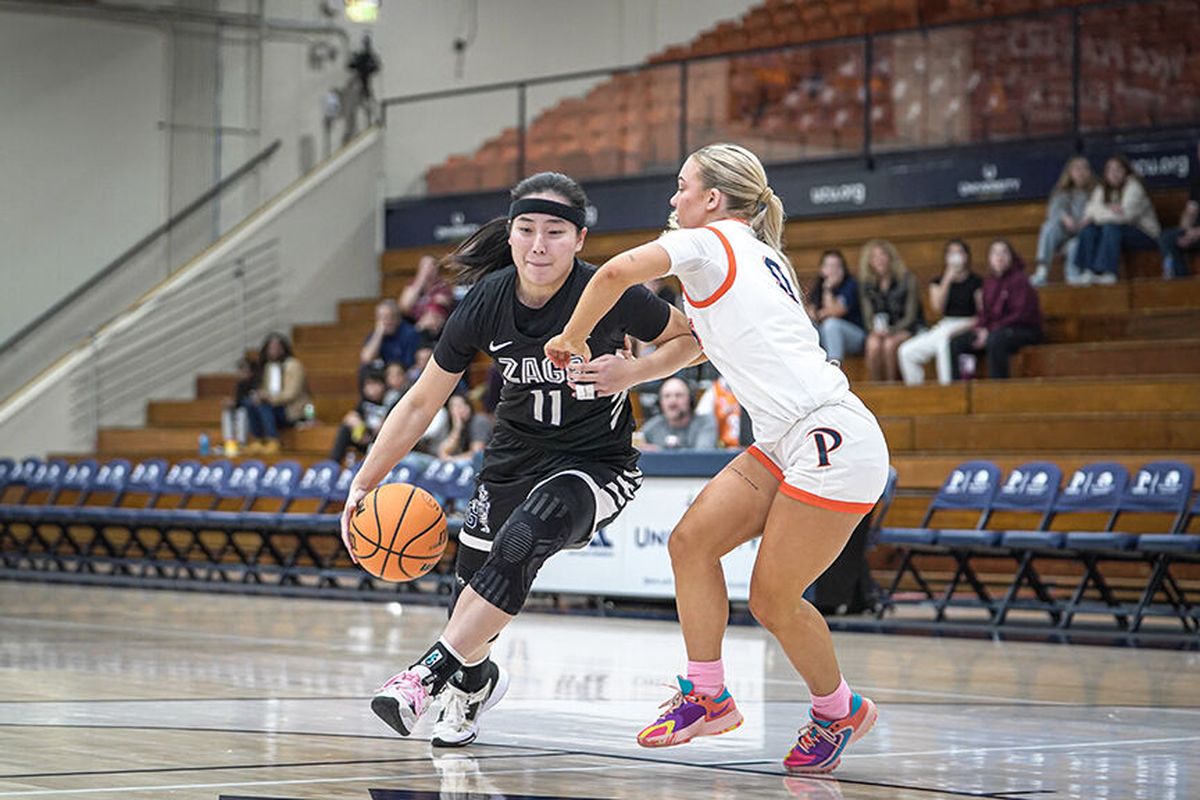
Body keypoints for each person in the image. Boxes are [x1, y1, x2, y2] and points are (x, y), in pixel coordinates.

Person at [546, 143, 889, 775]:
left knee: (771, 599)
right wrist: (635, 374)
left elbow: (617, 271)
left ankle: (839, 709)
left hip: (830, 438)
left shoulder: (709, 242)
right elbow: (700, 347)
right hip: (786, 438)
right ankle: (707, 694)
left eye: (682, 187)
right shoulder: (752, 254)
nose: (673, 199)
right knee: (691, 543)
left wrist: (568, 335)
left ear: (711, 199)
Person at [339, 172, 700, 749]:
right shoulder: (486, 301)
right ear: (510, 235)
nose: (538, 244)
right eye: (526, 230)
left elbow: (690, 340)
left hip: (595, 462)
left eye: (554, 232)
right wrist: (364, 481)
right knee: (473, 595)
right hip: (511, 459)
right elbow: (422, 400)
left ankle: (424, 677)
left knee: (527, 533)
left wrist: (634, 372)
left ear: (579, 239)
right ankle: (472, 682)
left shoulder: (608, 290)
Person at [948, 239, 1042, 380]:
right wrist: (980, 329)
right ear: (990, 259)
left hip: (1022, 329)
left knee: (995, 340)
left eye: (1004, 252)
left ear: (1011, 257)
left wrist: (989, 330)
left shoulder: (1020, 280)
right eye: (995, 253)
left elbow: (1020, 314)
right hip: (994, 329)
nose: (999, 256)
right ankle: (964, 386)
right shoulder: (989, 282)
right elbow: (984, 312)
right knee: (958, 343)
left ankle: (997, 389)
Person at [896, 239, 982, 386]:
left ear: (966, 256)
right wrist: (947, 279)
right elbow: (937, 308)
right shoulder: (938, 281)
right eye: (951, 253)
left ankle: (946, 391)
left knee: (944, 345)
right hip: (945, 324)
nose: (955, 257)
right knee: (906, 352)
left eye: (959, 252)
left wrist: (964, 327)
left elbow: (982, 313)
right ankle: (917, 393)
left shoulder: (976, 281)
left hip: (967, 324)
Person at [1074, 155, 1161, 284]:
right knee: (1089, 230)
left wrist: (1100, 211)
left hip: (1145, 234)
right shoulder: (1102, 188)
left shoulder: (1134, 187)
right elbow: (1088, 212)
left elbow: (1125, 217)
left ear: (1126, 172)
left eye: (1118, 170)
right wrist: (1109, 209)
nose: (1113, 174)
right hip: (1119, 233)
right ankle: (1088, 271)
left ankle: (1108, 273)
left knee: (1111, 227)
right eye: (1109, 170)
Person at [859, 239, 922, 382]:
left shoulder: (907, 279)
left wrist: (892, 330)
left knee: (889, 344)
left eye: (882, 255)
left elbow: (911, 316)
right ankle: (876, 387)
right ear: (869, 262)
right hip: (880, 330)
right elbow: (867, 315)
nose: (879, 260)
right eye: (874, 257)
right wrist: (875, 330)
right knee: (872, 344)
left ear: (890, 258)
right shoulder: (867, 284)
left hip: (906, 327)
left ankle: (891, 385)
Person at [1032, 156, 1095, 286]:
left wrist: (1087, 220)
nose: (1081, 172)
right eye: (1077, 169)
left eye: (1084, 168)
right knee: (1048, 227)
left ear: (1089, 172)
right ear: (1070, 172)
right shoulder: (1061, 191)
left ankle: (1073, 275)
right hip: (1063, 234)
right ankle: (1042, 271)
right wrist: (1064, 217)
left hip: (1083, 235)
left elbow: (1099, 212)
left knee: (1074, 244)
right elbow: (1053, 213)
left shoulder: (1096, 191)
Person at [244, 332, 310, 455]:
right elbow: (266, 389)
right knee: (250, 402)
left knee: (264, 405)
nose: (273, 351)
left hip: (291, 410)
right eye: (270, 348)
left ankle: (273, 440)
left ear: (283, 348)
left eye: (276, 348)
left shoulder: (294, 366)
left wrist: (269, 398)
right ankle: (258, 439)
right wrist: (260, 395)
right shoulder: (268, 367)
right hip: (274, 407)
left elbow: (291, 394)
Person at [805, 249, 864, 362]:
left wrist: (828, 289)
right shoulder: (818, 285)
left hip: (855, 336)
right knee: (809, 324)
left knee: (831, 324)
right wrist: (818, 314)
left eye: (837, 266)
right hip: (827, 334)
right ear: (822, 270)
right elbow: (812, 312)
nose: (833, 270)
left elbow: (835, 312)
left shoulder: (850, 284)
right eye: (829, 266)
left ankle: (835, 368)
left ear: (843, 269)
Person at [330, 369, 390, 466]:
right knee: (345, 429)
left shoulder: (388, 401)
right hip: (364, 436)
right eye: (368, 384)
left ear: (384, 385)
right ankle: (333, 464)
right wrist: (360, 429)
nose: (372, 388)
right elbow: (350, 418)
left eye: (375, 384)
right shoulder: (363, 402)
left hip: (380, 440)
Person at [639, 376, 717, 450]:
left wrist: (659, 452)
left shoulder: (705, 423)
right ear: (660, 402)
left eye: (678, 395)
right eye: (667, 396)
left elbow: (702, 457)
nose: (672, 401)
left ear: (690, 399)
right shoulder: (651, 428)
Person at [1158, 141, 1200, 278]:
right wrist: (1185, 230)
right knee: (1167, 238)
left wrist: (1197, 232)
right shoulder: (1197, 181)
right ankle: (1179, 281)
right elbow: (1190, 211)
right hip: (1194, 231)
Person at [399, 255, 456, 342]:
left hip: (434, 328)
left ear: (436, 269)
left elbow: (434, 313)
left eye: (430, 265)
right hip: (413, 325)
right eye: (424, 266)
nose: (427, 269)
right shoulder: (413, 285)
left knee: (431, 321)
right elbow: (404, 307)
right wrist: (420, 281)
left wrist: (417, 329)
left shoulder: (443, 287)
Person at [361, 299, 420, 374]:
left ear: (398, 318)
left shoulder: (410, 333)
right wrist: (379, 332)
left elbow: (409, 363)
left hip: (404, 374)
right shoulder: (376, 334)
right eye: (383, 318)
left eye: (391, 317)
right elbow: (366, 358)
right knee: (364, 370)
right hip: (384, 375)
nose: (388, 321)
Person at [436, 393, 492, 462]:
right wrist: (457, 428)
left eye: (460, 405)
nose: (458, 410)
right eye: (454, 407)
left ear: (468, 406)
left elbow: (477, 454)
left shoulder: (478, 421)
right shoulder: (456, 424)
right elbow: (442, 452)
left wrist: (453, 460)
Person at [220, 357, 257, 456]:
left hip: (253, 416)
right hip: (241, 411)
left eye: (244, 370)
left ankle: (241, 443)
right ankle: (229, 441)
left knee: (242, 412)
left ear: (251, 372)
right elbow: (238, 402)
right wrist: (231, 404)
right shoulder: (240, 385)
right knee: (226, 412)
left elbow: (249, 402)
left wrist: (234, 403)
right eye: (240, 369)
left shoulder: (255, 383)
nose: (241, 372)